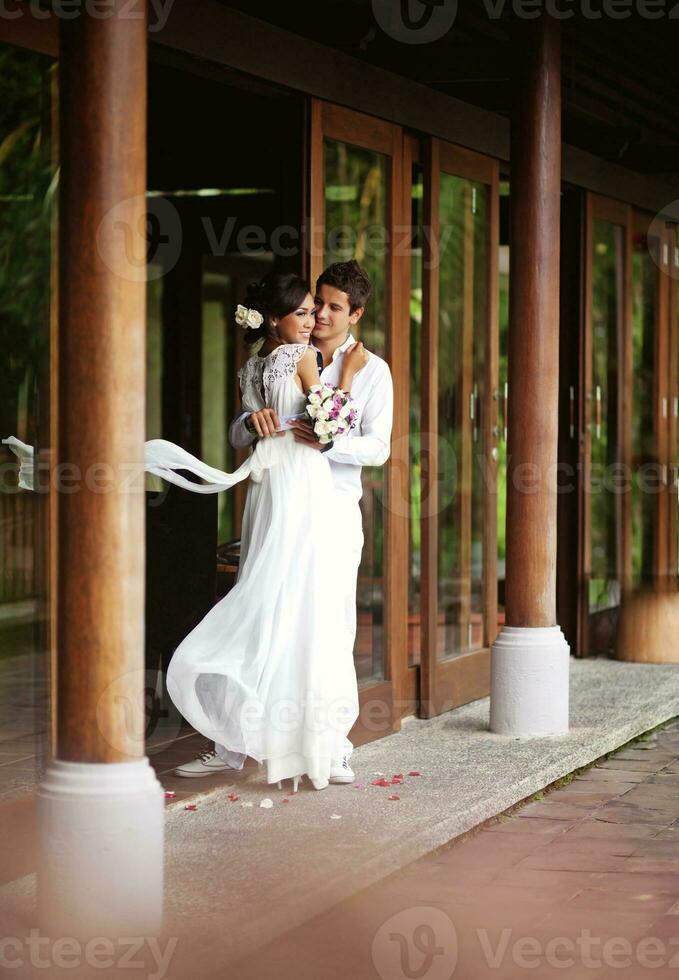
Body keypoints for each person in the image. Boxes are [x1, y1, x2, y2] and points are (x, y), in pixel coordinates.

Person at [177, 261, 394, 784]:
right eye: (315, 302)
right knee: (262, 611)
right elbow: (238, 431)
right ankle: (231, 741)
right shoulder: (280, 355)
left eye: (332, 306)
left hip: (333, 511)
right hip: (278, 498)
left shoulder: (372, 369)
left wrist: (329, 440)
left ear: (355, 314)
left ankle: (328, 743)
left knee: (327, 624)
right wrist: (250, 423)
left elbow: (380, 448)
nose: (319, 313)